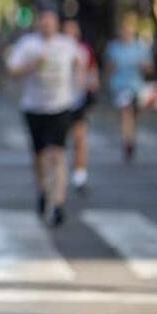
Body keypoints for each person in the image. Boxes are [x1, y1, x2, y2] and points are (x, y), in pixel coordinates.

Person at [6, 8, 82, 227]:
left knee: (58, 154)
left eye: (51, 22)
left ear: (56, 24)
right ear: (38, 24)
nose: (47, 25)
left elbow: (81, 65)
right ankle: (42, 190)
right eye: (44, 22)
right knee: (39, 156)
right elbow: (12, 72)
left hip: (60, 106)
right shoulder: (28, 45)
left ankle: (58, 203)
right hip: (34, 107)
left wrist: (82, 87)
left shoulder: (67, 44)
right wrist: (33, 65)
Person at [105, 15, 154, 164]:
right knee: (126, 113)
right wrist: (111, 69)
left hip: (136, 86)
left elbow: (150, 69)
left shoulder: (141, 47)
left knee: (133, 117)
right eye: (123, 30)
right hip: (120, 86)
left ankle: (130, 138)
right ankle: (128, 143)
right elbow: (108, 68)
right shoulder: (113, 47)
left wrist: (144, 66)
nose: (126, 33)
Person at [64, 19, 98, 192]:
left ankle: (80, 176)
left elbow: (92, 72)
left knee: (80, 138)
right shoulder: (56, 48)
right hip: (58, 103)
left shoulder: (85, 50)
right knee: (58, 145)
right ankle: (57, 176)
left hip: (78, 100)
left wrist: (93, 87)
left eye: (73, 30)